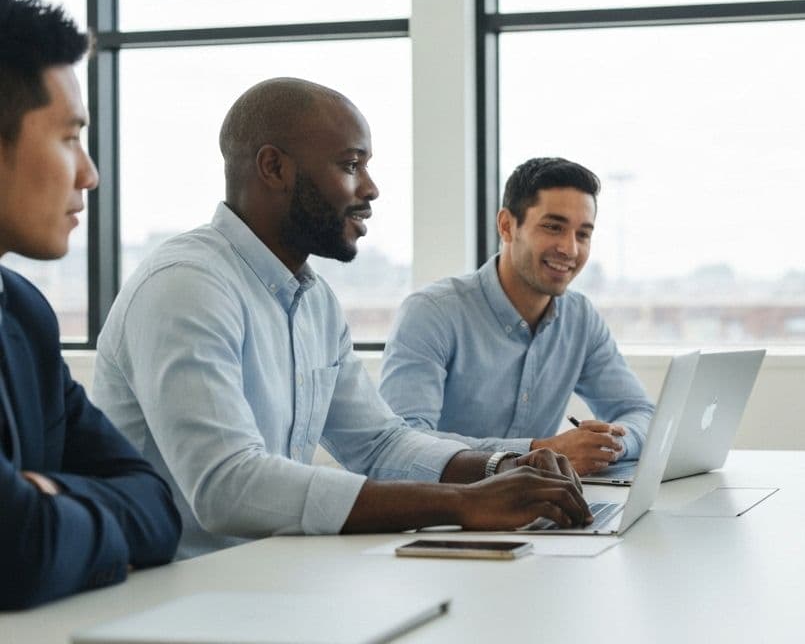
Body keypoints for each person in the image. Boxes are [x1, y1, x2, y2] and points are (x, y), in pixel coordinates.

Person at [91, 79, 589, 559]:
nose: (370, 189)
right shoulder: (188, 286)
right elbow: (227, 485)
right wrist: (463, 504)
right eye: (351, 165)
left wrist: (501, 468)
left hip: (269, 576)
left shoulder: (314, 302)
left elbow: (379, 444)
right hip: (177, 590)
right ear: (274, 168)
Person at [0, 0, 180, 609]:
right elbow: (19, 548)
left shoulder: (23, 314)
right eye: (69, 137)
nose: (89, 173)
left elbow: (156, 506)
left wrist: (48, 496)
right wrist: (47, 516)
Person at [380, 157, 653, 476]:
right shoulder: (432, 313)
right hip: (445, 501)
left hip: (538, 500)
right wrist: (538, 450)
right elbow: (404, 443)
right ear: (507, 226)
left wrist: (610, 444)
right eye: (553, 227)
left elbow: (641, 413)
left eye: (583, 234)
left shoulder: (580, 318)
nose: (570, 249)